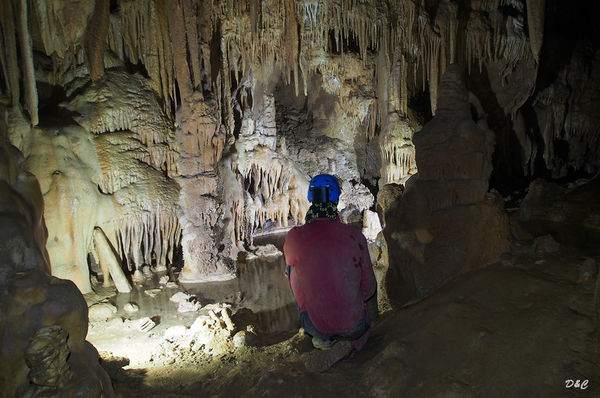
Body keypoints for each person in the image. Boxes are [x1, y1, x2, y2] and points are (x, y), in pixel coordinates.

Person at [283, 174, 377, 372]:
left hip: (314, 326)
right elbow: (369, 289)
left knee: (292, 271)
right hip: (354, 325)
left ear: (310, 198)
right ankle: (356, 341)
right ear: (336, 200)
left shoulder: (293, 237)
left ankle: (322, 337)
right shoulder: (354, 236)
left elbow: (295, 285)